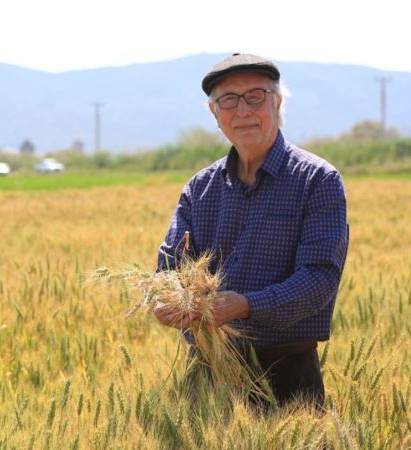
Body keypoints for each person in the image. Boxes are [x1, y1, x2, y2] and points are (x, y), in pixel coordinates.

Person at [153, 53, 349, 411]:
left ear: (277, 102)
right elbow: (168, 268)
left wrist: (245, 306)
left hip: (287, 379)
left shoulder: (317, 181)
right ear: (214, 114)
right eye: (228, 100)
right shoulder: (199, 189)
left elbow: (319, 279)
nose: (242, 110)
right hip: (206, 377)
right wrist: (166, 301)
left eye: (255, 96)